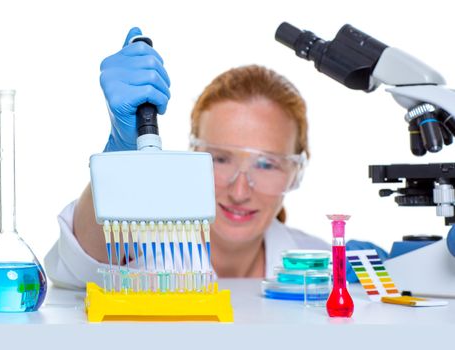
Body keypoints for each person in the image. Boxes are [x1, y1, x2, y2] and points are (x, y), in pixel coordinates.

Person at [44, 27, 386, 289]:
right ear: (193, 158)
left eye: (266, 164)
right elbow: (80, 263)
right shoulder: (141, 252)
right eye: (219, 160)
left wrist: (391, 279)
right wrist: (120, 157)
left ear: (295, 171)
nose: (239, 191)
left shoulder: (324, 267)